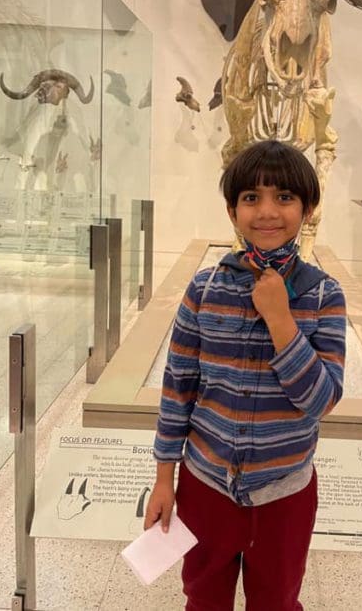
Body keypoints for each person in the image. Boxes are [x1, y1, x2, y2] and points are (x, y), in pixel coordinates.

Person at [143, 140, 347, 611]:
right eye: (251, 198)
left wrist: (281, 320)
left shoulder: (323, 296)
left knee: (276, 600)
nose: (267, 211)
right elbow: (178, 389)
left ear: (309, 208)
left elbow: (321, 402)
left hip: (284, 492)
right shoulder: (204, 287)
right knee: (204, 595)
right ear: (233, 211)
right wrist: (163, 479)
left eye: (285, 197)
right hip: (206, 484)